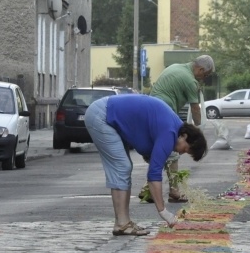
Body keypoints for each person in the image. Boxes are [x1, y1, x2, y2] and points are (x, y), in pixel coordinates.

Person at [84, 94, 208, 236]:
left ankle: (122, 222)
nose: (180, 153)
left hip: (105, 112)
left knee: (123, 166)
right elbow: (153, 175)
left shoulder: (173, 127)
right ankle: (122, 223)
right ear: (185, 136)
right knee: (122, 167)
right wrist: (164, 212)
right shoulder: (170, 132)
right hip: (102, 115)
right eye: (185, 149)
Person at [144, 54, 215, 203]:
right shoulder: (190, 80)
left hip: (150, 110)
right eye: (205, 75)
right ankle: (174, 191)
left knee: (157, 151)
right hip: (163, 113)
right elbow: (195, 109)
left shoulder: (175, 67)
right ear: (201, 69)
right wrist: (198, 131)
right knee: (173, 152)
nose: (203, 78)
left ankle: (149, 189)